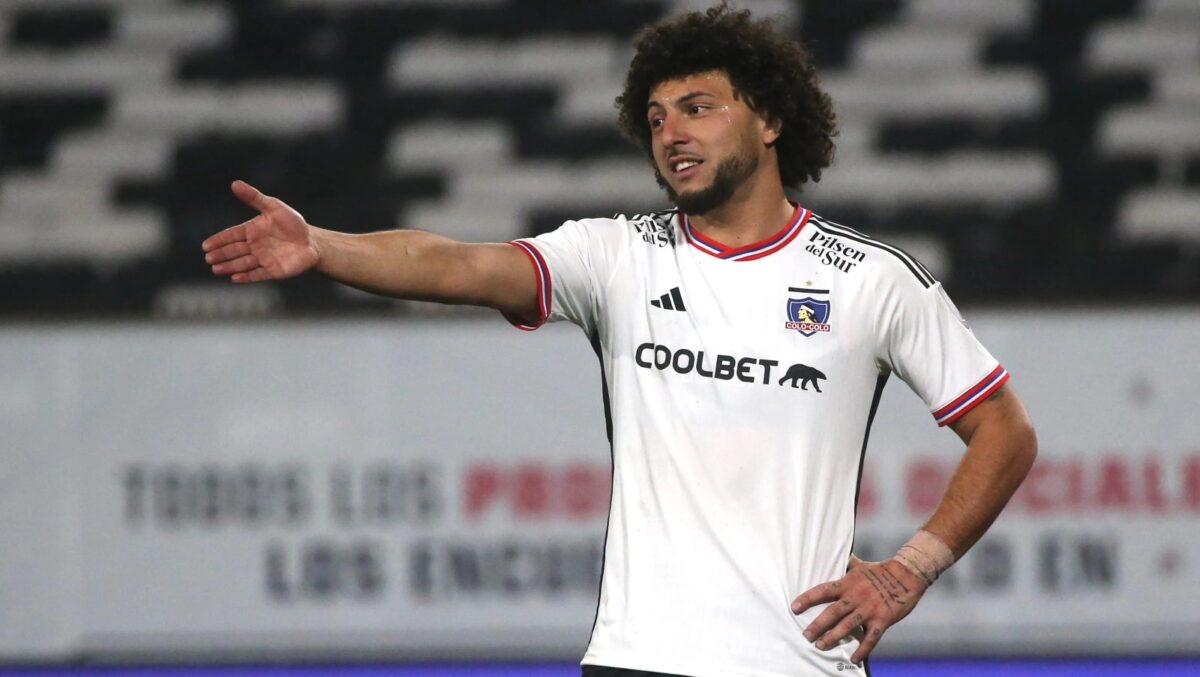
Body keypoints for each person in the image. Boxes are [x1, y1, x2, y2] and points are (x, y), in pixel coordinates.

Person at [203, 4, 1037, 676]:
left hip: (798, 661)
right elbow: (458, 263)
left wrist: (911, 567)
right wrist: (324, 246)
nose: (672, 133)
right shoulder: (617, 257)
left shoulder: (871, 278)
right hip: (636, 660)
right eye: (656, 117)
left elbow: (1004, 429)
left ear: (771, 119)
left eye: (699, 108)